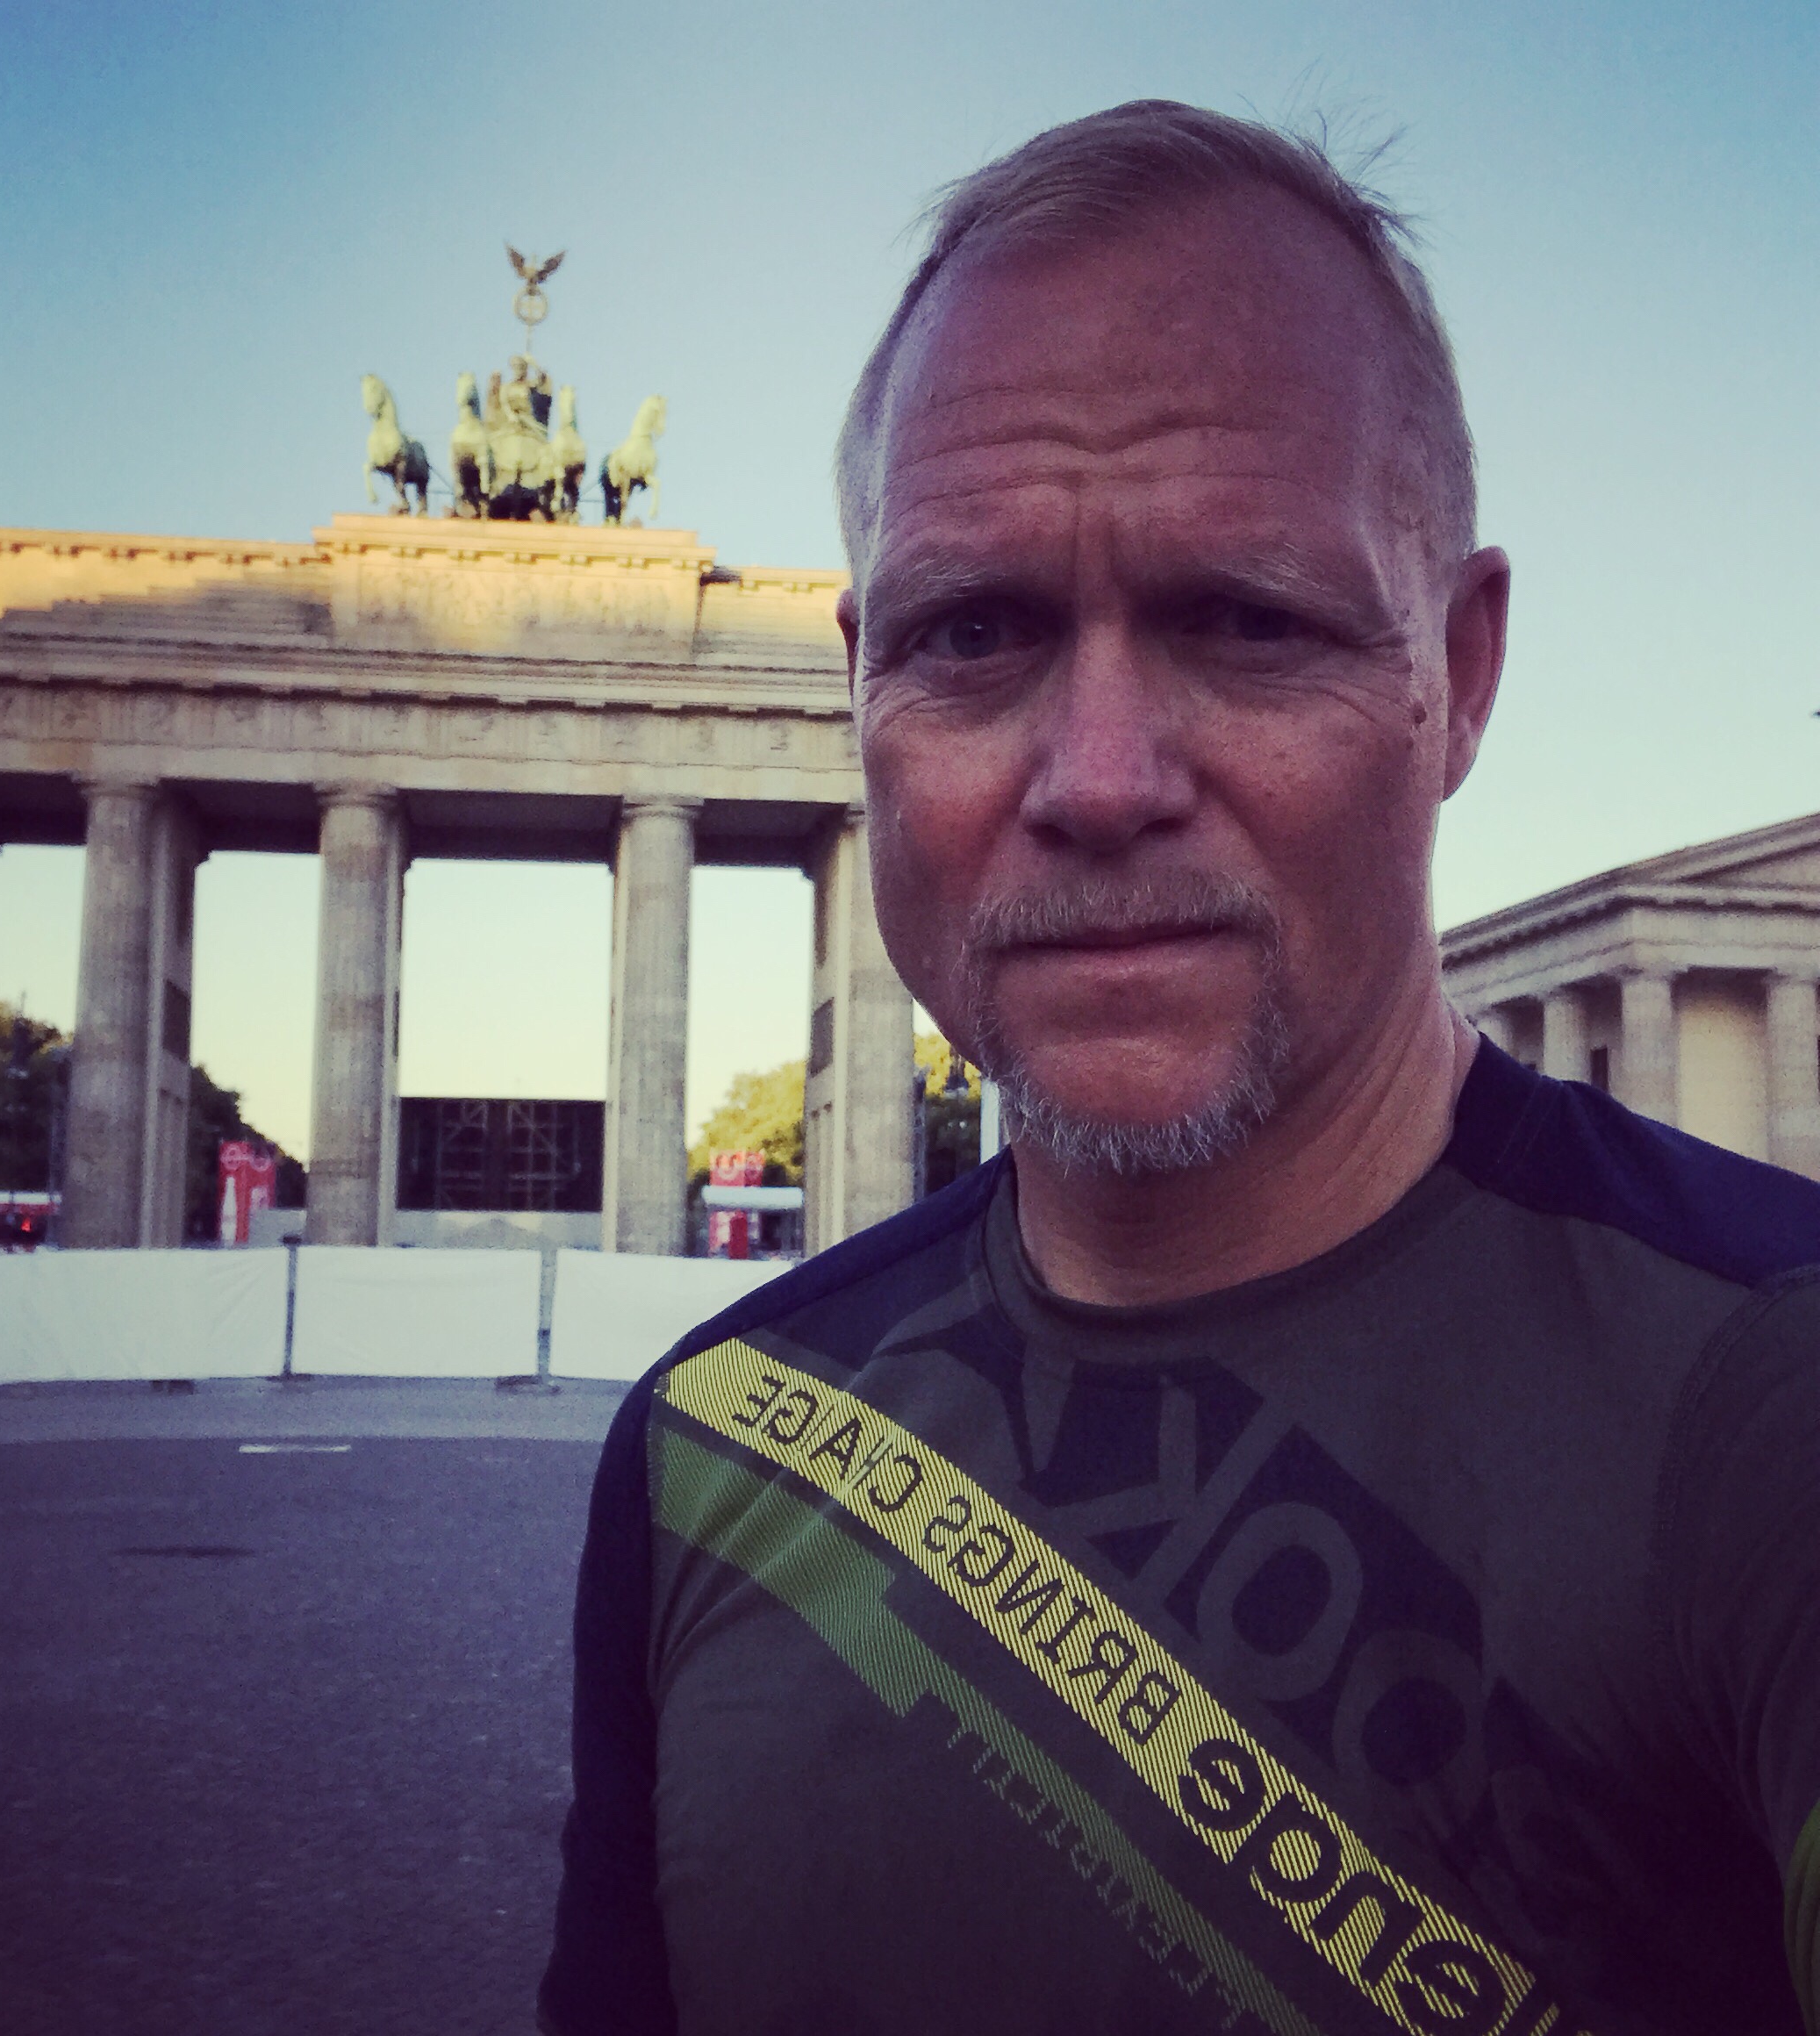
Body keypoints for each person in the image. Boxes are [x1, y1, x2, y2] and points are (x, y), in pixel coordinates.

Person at [537, 100, 1820, 2035]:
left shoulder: (1778, 1410)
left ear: (1457, 673)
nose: (1100, 778)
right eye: (974, 632)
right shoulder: (709, 1450)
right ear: (862, 684)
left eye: (1243, 618)